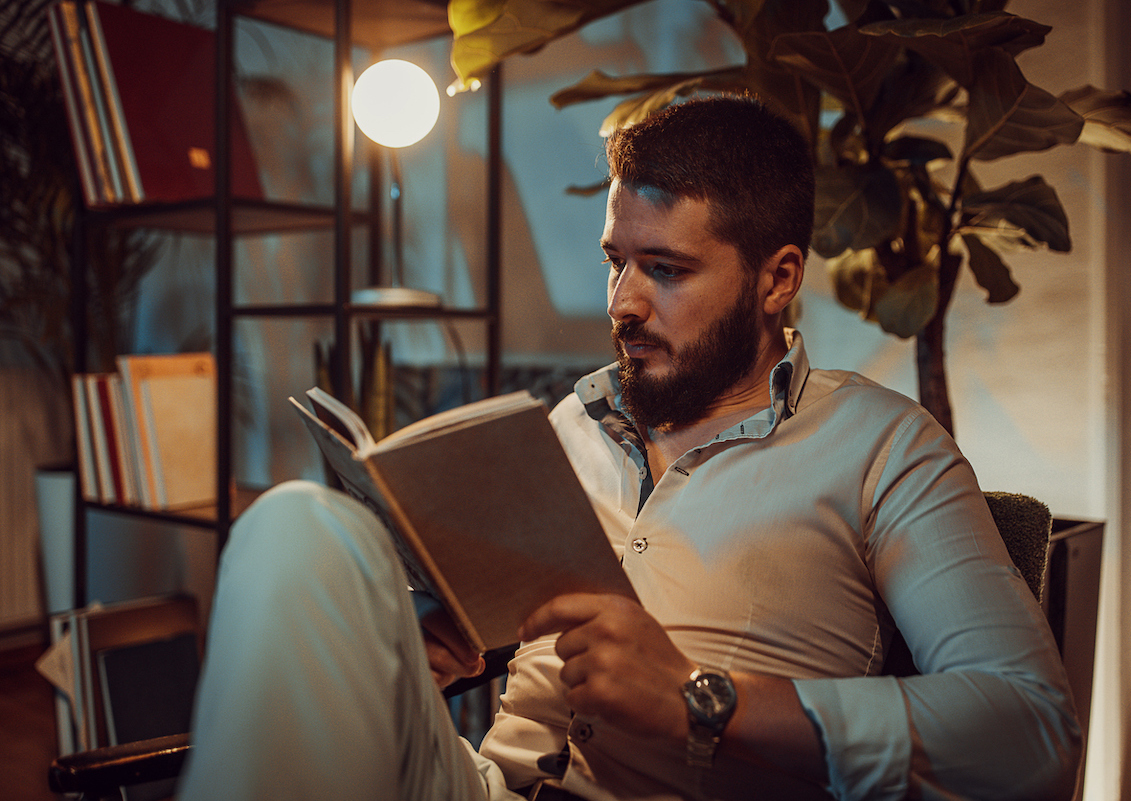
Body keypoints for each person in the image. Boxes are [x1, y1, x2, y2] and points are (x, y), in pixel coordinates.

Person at [177, 95, 1081, 801]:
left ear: (777, 278)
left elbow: (1032, 730)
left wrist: (702, 696)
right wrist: (423, 644)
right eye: (617, 259)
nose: (622, 303)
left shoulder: (883, 447)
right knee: (300, 526)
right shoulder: (573, 424)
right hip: (489, 786)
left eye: (666, 270)